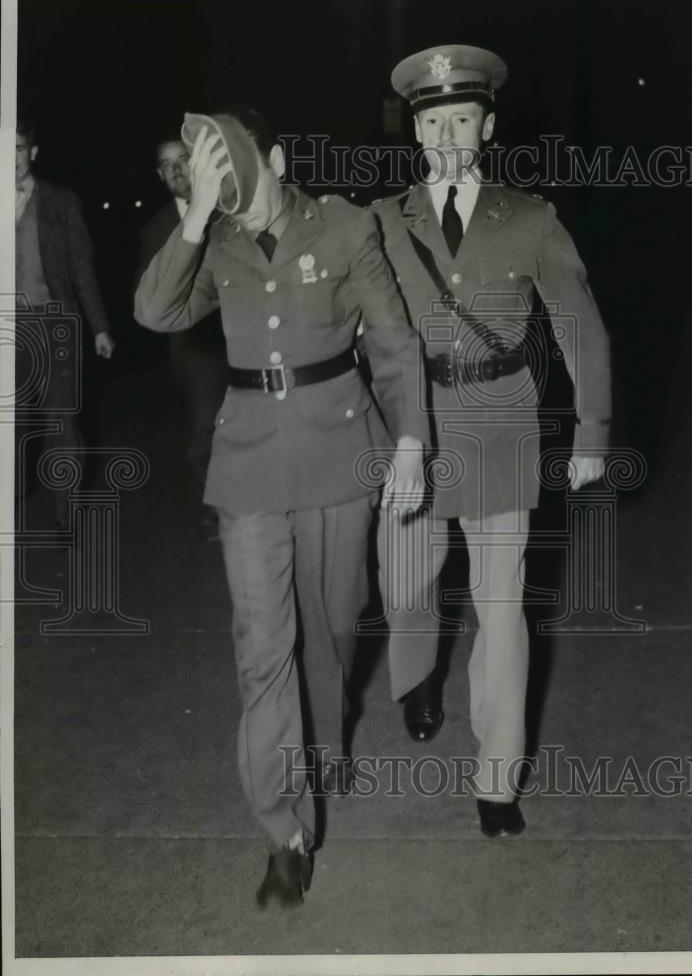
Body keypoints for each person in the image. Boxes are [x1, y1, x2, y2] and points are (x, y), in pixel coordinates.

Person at [135, 109, 427, 907]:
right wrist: (195, 213)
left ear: (276, 157)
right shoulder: (211, 238)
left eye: (238, 177)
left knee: (333, 626)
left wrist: (408, 442)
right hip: (250, 463)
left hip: (338, 450)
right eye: (212, 184)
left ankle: (325, 743)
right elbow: (156, 313)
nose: (234, 197)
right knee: (263, 647)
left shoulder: (342, 224)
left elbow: (394, 340)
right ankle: (285, 834)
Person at [372, 45, 611, 837]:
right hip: (410, 424)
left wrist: (591, 430)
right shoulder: (380, 219)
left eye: (461, 118)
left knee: (501, 608)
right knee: (406, 584)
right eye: (431, 120)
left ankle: (496, 780)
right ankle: (416, 674)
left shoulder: (530, 217)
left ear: (487, 126)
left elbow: (578, 323)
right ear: (415, 132)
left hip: (501, 421)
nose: (446, 134)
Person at [15, 119, 115, 528]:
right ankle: (15, 492)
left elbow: (82, 269)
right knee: (15, 422)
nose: (11, 159)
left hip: (56, 325)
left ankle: (66, 516)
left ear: (32, 153)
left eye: (18, 148)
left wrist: (100, 328)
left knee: (63, 423)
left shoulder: (62, 201)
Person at [137, 135, 229, 534]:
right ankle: (216, 506)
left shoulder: (232, 210)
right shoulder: (155, 230)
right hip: (196, 346)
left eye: (183, 160)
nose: (176, 169)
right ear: (160, 176)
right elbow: (151, 300)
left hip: (245, 331)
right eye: (166, 165)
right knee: (206, 428)